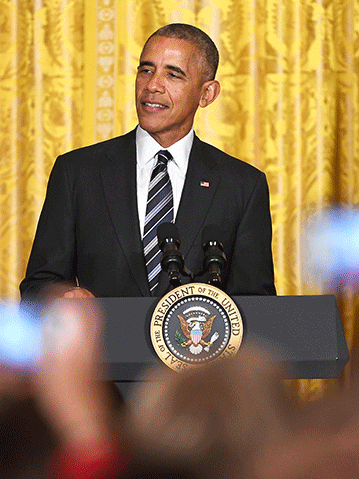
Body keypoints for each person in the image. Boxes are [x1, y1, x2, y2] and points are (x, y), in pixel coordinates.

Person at [21, 23, 276, 299]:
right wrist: (63, 299)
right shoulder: (78, 173)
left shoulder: (241, 185)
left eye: (174, 75)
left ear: (207, 94)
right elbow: (38, 287)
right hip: (104, 342)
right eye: (146, 70)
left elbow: (257, 305)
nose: (153, 85)